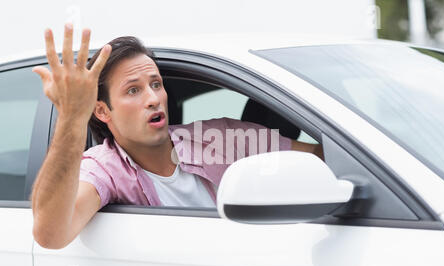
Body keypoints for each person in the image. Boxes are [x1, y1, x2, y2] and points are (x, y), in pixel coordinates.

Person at [31, 24, 324, 249]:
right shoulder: (104, 168)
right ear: (102, 111)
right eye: (134, 90)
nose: (153, 98)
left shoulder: (220, 137)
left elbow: (327, 159)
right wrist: (71, 116)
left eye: (156, 84)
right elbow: (51, 234)